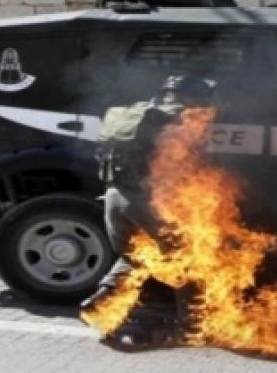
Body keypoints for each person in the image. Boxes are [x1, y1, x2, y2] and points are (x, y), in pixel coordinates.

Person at [81, 74, 216, 348]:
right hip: (148, 202)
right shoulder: (181, 120)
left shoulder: (135, 114)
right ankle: (192, 326)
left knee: (136, 255)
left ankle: (101, 298)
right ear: (191, 96)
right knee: (188, 259)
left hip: (114, 197)